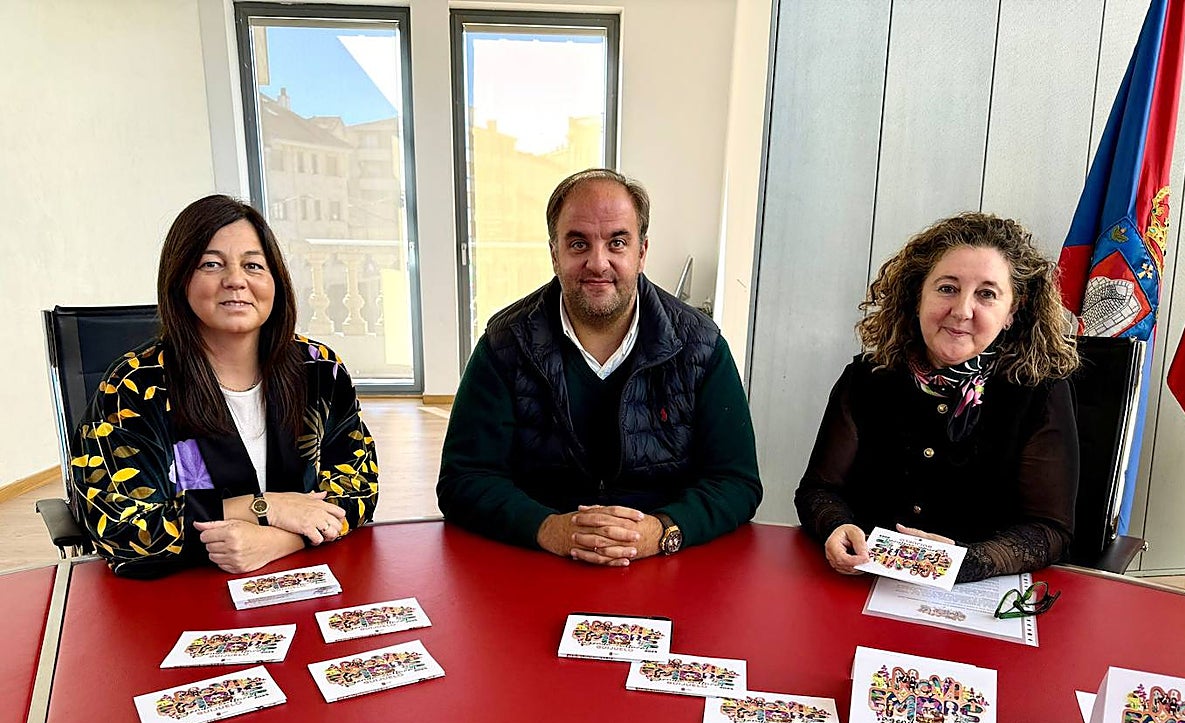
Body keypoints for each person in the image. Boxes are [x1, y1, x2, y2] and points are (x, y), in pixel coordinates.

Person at [437, 168, 761, 565]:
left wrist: (663, 531)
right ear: (555, 253)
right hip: (538, 562)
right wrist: (548, 528)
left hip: (666, 564)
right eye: (578, 244)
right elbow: (463, 480)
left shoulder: (702, 345)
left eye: (617, 243)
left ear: (641, 252)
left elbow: (736, 482)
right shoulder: (504, 345)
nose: (598, 262)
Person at [73, 195, 378, 578]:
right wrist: (263, 507)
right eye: (211, 264)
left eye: (253, 265)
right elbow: (120, 528)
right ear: (180, 279)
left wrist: (282, 542)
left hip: (302, 582)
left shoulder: (317, 369)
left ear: (275, 282)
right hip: (178, 598)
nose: (235, 280)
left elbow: (358, 484)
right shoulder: (135, 385)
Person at [794, 212, 1080, 583]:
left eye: (987, 294)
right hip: (861, 583)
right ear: (918, 295)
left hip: (973, 599)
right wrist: (836, 525)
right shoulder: (867, 378)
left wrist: (963, 562)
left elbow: (1049, 530)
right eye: (947, 288)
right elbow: (818, 490)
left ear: (1013, 311)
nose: (961, 310)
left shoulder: (1040, 392)